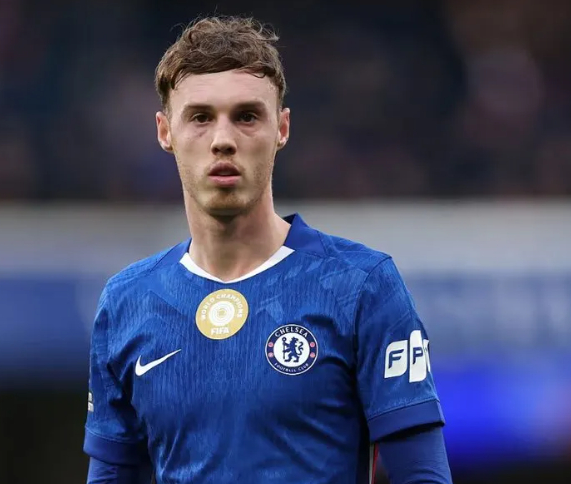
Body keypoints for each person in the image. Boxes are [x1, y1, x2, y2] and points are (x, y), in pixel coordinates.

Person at [83, 15, 452, 484]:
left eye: (246, 116)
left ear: (281, 127)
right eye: (200, 117)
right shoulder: (127, 302)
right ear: (164, 131)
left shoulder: (361, 286)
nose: (223, 140)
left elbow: (421, 475)